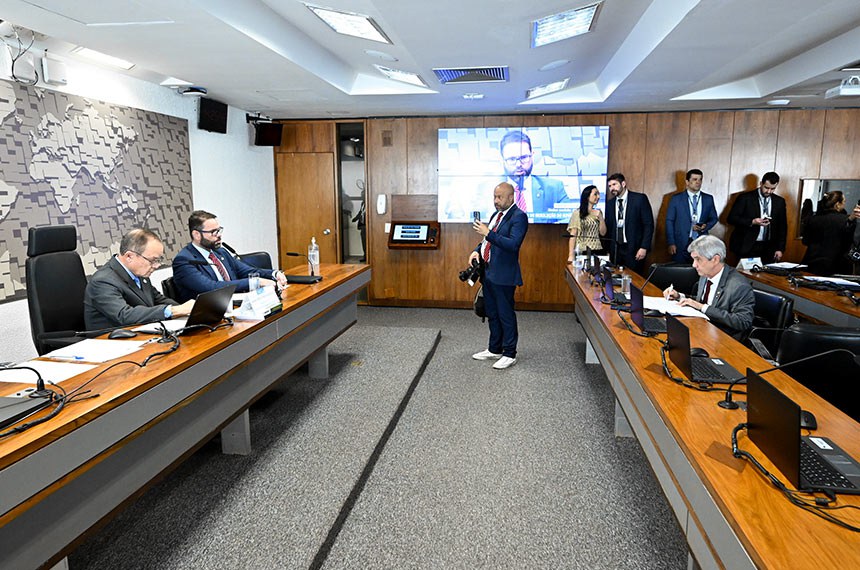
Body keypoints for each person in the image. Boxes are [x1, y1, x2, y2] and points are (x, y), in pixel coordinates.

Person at [84, 228, 194, 330]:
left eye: (158, 260)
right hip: (111, 341)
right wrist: (174, 311)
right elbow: (124, 315)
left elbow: (158, 300)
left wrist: (190, 311)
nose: (156, 266)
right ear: (129, 256)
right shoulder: (103, 281)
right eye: (152, 260)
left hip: (140, 334)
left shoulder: (139, 273)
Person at [469, 182, 529, 370]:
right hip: (488, 272)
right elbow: (487, 240)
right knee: (492, 313)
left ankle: (510, 353)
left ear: (511, 197)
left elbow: (512, 245)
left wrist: (488, 232)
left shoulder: (519, 217)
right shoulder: (497, 215)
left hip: (504, 275)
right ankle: (494, 348)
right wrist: (476, 250)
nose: (496, 201)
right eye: (494, 197)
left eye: (500, 197)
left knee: (505, 314)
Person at [172, 210, 288, 303]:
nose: (219, 236)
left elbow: (247, 271)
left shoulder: (221, 252)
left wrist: (274, 274)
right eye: (214, 232)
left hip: (235, 306)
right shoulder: (184, 260)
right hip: (209, 315)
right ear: (197, 234)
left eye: (219, 230)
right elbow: (211, 288)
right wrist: (255, 282)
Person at [662, 235, 755, 340]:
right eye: (693, 259)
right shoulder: (706, 273)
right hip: (701, 329)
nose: (694, 265)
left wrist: (703, 307)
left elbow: (743, 321)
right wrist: (679, 296)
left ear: (715, 259)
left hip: (724, 339)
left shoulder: (739, 286)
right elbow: (700, 301)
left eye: (698, 260)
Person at [498, 130, 569, 221]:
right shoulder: (487, 190)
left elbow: (569, 220)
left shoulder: (555, 188)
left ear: (532, 156)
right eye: (512, 159)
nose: (519, 164)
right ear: (502, 160)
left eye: (523, 157)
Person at [727, 172, 786, 263]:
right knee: (745, 276)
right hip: (747, 246)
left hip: (769, 248)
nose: (769, 191)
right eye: (766, 188)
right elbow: (731, 218)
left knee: (766, 276)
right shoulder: (745, 198)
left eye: (772, 189)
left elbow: (782, 227)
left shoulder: (779, 201)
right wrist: (752, 222)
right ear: (761, 184)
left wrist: (780, 248)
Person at [604, 172, 654, 275]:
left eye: (614, 184)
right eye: (609, 186)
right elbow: (609, 228)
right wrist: (608, 250)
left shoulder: (639, 199)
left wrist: (644, 247)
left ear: (623, 184)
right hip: (616, 249)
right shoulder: (609, 204)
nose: (612, 188)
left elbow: (648, 224)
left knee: (634, 280)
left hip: (634, 248)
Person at [665, 169, 718, 263]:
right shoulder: (676, 199)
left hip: (701, 243)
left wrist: (706, 226)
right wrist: (671, 242)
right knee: (679, 272)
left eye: (700, 179)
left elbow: (714, 218)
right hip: (680, 243)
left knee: (700, 272)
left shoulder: (708, 198)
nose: (698, 182)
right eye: (694, 179)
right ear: (687, 182)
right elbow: (669, 221)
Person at [801, 191, 857, 275]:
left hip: (812, 263)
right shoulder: (845, 221)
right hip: (835, 266)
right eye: (844, 201)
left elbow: (805, 241)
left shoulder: (812, 219)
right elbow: (848, 244)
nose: (844, 204)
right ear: (837, 204)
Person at [567, 185, 606, 263]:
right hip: (583, 250)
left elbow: (603, 233)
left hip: (598, 250)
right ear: (587, 196)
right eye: (595, 194)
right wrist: (571, 255)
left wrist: (601, 217)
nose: (598, 197)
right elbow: (573, 235)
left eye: (599, 194)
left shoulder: (598, 212)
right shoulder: (577, 213)